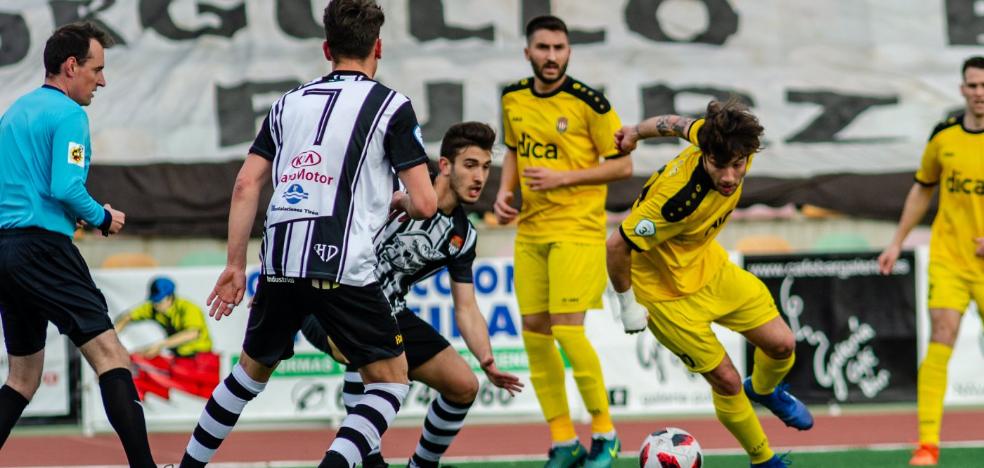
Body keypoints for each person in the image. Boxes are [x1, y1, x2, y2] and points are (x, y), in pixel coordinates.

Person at [178, 1, 437, 467]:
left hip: (278, 261)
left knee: (247, 377)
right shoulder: (392, 106)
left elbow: (245, 184)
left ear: (326, 49)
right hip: (342, 266)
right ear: (378, 47)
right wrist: (394, 199)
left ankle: (189, 465)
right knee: (391, 380)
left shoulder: (286, 104)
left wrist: (235, 265)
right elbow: (424, 202)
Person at [301, 122, 524, 468]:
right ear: (446, 166)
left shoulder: (463, 235)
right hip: (331, 300)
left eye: (484, 167)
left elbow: (466, 308)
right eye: (470, 165)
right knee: (358, 353)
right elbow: (328, 218)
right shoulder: (395, 188)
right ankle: (369, 460)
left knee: (464, 386)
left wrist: (488, 361)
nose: (480, 177)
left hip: (388, 312)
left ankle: (421, 466)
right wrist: (285, 281)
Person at [606, 100, 813, 468]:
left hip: (707, 266)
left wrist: (636, 131)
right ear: (705, 155)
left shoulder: (723, 139)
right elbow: (616, 244)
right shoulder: (675, 202)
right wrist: (627, 305)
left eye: (738, 165)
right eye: (720, 166)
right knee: (726, 380)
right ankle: (763, 460)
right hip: (663, 294)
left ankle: (763, 389)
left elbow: (671, 123)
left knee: (782, 344)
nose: (731, 177)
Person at [0, 22, 156, 466]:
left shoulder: (12, 114)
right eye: (97, 69)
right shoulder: (70, 114)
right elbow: (66, 186)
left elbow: (31, 189)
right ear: (71, 67)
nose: (102, 80)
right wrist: (102, 216)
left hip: (5, 252)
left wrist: (73, 213)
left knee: (23, 379)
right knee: (112, 355)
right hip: (42, 249)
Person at [493, 15, 632, 468]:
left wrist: (564, 177)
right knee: (535, 336)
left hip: (577, 229)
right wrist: (504, 193)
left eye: (559, 48)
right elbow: (513, 149)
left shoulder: (591, 103)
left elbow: (623, 167)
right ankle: (563, 441)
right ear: (528, 52)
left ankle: (606, 435)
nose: (551, 56)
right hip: (530, 231)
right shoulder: (512, 96)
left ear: (569, 52)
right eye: (543, 48)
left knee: (569, 331)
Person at [878, 56, 984, 467]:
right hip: (950, 259)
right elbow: (922, 190)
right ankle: (928, 445)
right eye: (973, 85)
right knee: (942, 335)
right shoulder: (943, 136)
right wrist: (896, 242)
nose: (980, 93)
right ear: (962, 90)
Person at [115, 276, 218, 400]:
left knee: (204, 398)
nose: (156, 305)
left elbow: (192, 333)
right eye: (154, 301)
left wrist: (160, 345)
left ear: (170, 298)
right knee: (135, 360)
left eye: (159, 301)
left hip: (202, 362)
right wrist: (111, 339)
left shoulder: (189, 308)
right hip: (179, 360)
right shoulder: (153, 308)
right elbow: (127, 317)